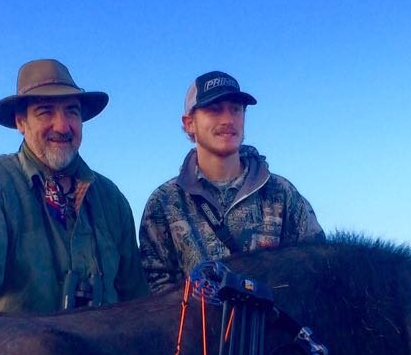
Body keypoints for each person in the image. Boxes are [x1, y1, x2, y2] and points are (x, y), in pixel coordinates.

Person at [0, 58, 148, 313]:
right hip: (20, 352)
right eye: (45, 112)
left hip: (107, 351)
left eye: (72, 111)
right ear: (20, 122)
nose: (62, 126)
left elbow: (137, 298)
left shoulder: (111, 198)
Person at [139, 70, 324, 295]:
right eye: (214, 110)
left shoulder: (282, 194)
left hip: (273, 327)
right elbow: (156, 289)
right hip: (197, 328)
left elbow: (317, 268)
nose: (228, 120)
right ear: (189, 124)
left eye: (236, 110)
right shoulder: (164, 202)